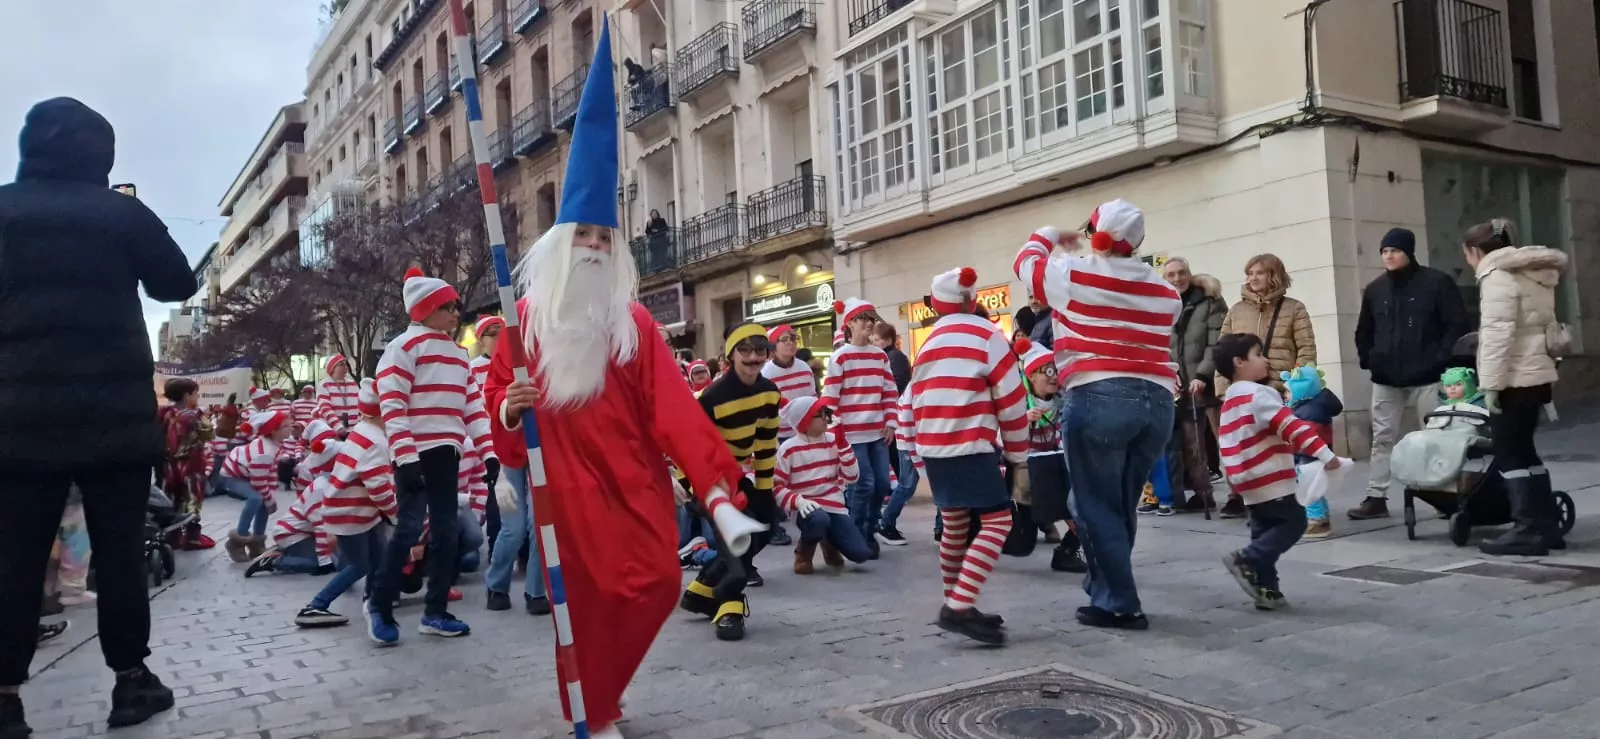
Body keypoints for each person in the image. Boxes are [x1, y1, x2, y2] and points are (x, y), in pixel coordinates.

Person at [481, 21, 760, 736]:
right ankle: (592, 705)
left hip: (631, 479)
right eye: (587, 239)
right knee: (582, 603)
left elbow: (675, 408)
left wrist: (717, 491)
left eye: (607, 239)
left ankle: (601, 689)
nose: (598, 249)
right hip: (565, 482)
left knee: (661, 583)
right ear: (562, 248)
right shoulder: (524, 328)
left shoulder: (631, 323)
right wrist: (513, 414)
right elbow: (503, 423)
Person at [0, 98, 196, 734]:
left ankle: (5, 697)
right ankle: (131, 681)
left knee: (15, 559)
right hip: (114, 421)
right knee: (119, 553)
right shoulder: (120, 213)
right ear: (101, 155)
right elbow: (177, 284)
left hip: (16, 419)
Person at [1014, 199, 1180, 631]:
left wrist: (1053, 234)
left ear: (1098, 234)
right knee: (1120, 504)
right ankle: (1106, 589)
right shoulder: (1167, 292)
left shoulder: (1075, 274)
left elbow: (1025, 262)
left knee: (1091, 504)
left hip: (1099, 393)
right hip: (1158, 402)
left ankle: (1120, 602)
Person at [367, 267, 497, 645]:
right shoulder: (403, 348)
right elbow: (393, 407)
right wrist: (406, 461)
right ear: (425, 309)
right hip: (415, 457)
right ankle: (379, 605)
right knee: (407, 531)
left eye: (455, 307)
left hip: (446, 455)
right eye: (448, 306)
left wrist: (487, 452)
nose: (457, 314)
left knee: (446, 533)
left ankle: (435, 611)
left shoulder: (458, 355)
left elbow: (473, 407)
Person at [901, 266, 1028, 644]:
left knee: (955, 523)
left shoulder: (928, 342)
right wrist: (1019, 453)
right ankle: (959, 605)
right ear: (972, 301)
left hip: (935, 448)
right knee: (998, 522)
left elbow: (913, 401)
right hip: (969, 443)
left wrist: (917, 452)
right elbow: (1011, 398)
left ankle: (956, 599)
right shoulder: (986, 334)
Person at [1460, 219, 1568, 556]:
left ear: (1475, 251)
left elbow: (1497, 334)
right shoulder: (1532, 272)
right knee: (1527, 450)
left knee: (1510, 453)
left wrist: (1489, 384)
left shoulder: (1497, 276)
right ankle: (1546, 526)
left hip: (1513, 377)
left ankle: (1527, 529)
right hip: (1537, 374)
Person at [1347, 227, 1470, 521]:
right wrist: (1370, 360)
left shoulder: (1437, 283)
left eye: (1395, 251)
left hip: (1429, 377)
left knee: (1438, 437)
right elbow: (1364, 330)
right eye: (1385, 251)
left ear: (1409, 252)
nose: (1389, 256)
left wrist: (1440, 360)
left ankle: (1446, 496)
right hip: (1387, 378)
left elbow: (1456, 325)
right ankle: (1376, 497)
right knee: (1382, 438)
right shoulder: (1376, 289)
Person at [1213, 334, 1339, 610]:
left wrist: (1234, 479)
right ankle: (1246, 558)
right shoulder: (1260, 395)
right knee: (1293, 523)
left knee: (1263, 532)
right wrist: (1325, 454)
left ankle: (1268, 590)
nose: (1266, 359)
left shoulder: (1230, 400)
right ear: (1239, 362)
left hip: (1248, 482)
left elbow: (1226, 442)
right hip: (1272, 477)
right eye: (1258, 354)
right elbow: (1292, 427)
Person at [679, 322, 782, 638]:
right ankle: (730, 609)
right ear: (731, 355)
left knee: (767, 527)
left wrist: (765, 490)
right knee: (737, 546)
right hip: (707, 479)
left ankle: (701, 590)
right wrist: (696, 489)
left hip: (737, 476)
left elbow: (766, 444)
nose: (753, 358)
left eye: (759, 350)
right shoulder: (711, 397)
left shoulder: (769, 393)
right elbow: (688, 444)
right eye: (745, 351)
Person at [1214, 254, 1316, 519]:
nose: (1253, 278)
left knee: (1277, 447)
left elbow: (1306, 350)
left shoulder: (1294, 308)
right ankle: (1238, 496)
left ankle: (1282, 498)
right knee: (1241, 445)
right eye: (1249, 273)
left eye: (1259, 273)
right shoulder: (1237, 310)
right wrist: (1223, 387)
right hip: (1241, 390)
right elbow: (1222, 350)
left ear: (1274, 275)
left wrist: (1297, 385)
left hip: (1278, 388)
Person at [302, 379, 398, 627]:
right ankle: (316, 605)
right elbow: (378, 488)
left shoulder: (363, 432)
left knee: (379, 556)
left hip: (355, 511)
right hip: (351, 514)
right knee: (360, 565)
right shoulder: (376, 442)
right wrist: (396, 515)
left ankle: (374, 601)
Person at [824, 298, 899, 558]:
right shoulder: (840, 357)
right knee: (863, 482)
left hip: (877, 433)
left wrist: (891, 422)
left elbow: (890, 391)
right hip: (851, 435)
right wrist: (836, 433)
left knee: (881, 484)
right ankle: (854, 533)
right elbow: (830, 399)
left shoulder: (880, 356)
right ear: (850, 323)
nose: (869, 323)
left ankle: (867, 528)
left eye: (871, 319)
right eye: (863, 319)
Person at [776, 396, 872, 572]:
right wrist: (797, 501)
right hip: (805, 508)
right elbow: (776, 487)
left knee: (861, 554)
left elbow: (852, 477)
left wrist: (843, 444)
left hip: (834, 506)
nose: (826, 418)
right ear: (804, 421)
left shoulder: (833, 440)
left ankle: (828, 541)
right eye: (820, 414)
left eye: (826, 413)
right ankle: (804, 552)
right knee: (819, 519)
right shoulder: (788, 448)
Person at [1160, 257, 1223, 513]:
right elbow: (1161, 347)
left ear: (1189, 273)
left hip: (1209, 384)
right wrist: (1168, 374)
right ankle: (1202, 493)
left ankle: (1240, 496)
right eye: (1171, 275)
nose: (1177, 279)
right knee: (1192, 445)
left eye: (1181, 273)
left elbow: (1216, 342)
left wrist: (1203, 375)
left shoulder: (1210, 301)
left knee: (1224, 442)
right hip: (1181, 388)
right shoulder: (1163, 306)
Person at [762, 324, 816, 548]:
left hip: (801, 432)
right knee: (774, 480)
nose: (791, 343)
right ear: (774, 347)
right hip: (777, 433)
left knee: (805, 478)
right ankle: (774, 526)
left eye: (793, 338)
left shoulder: (804, 368)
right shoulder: (766, 373)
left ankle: (809, 518)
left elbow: (812, 398)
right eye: (785, 339)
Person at [159, 378, 216, 550]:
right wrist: (205, 416)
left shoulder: (164, 413)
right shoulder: (193, 415)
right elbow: (209, 435)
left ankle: (172, 537)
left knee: (171, 500)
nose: (198, 396)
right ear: (187, 395)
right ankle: (192, 538)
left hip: (169, 465)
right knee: (193, 501)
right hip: (191, 465)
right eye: (195, 393)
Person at [317, 354, 360, 434]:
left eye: (346, 364)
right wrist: (337, 427)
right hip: (331, 431)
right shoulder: (324, 385)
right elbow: (325, 408)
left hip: (353, 431)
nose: (345, 367)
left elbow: (360, 406)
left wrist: (359, 426)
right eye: (341, 365)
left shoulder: (352, 384)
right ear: (332, 368)